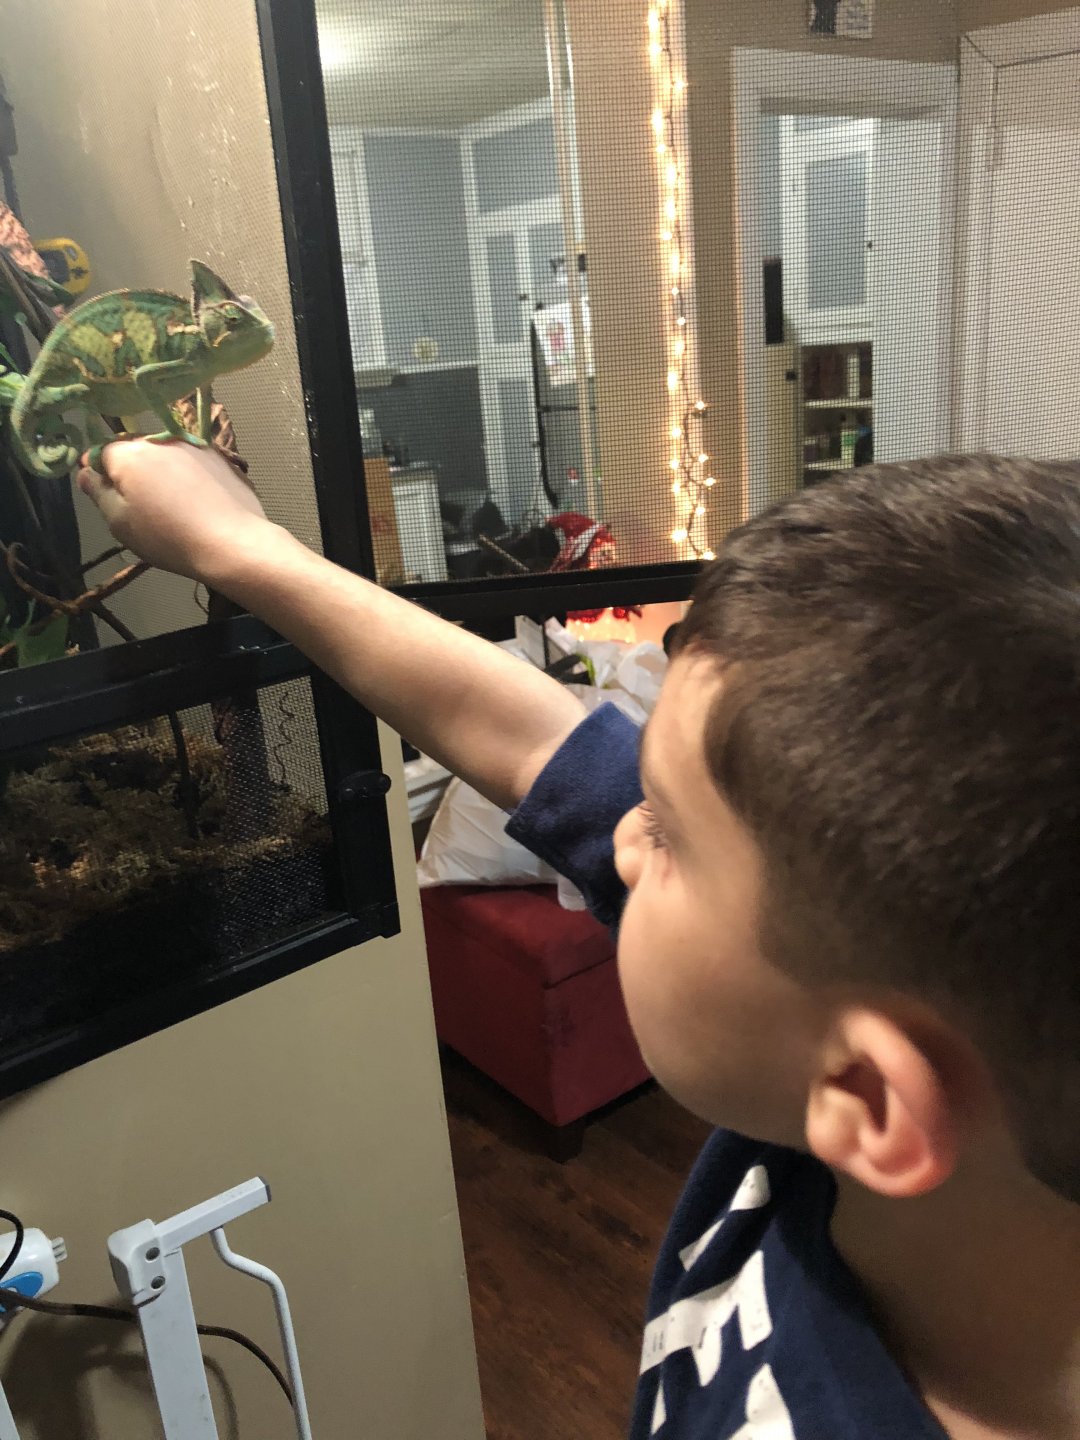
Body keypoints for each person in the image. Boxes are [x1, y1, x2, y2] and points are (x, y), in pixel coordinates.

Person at [78, 441, 1080, 1439]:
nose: (623, 840)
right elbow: (527, 737)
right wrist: (238, 546)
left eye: (665, 831)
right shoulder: (866, 1075)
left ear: (868, 1097)